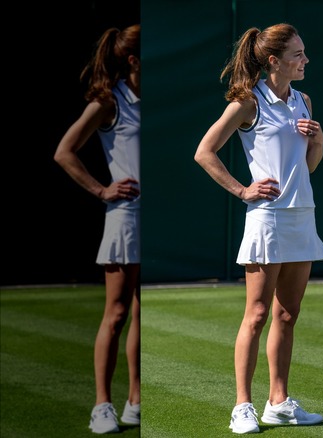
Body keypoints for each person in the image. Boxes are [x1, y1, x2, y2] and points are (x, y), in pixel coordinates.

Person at [194, 23, 323, 434]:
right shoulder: (247, 103)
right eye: (297, 54)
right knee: (256, 315)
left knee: (287, 314)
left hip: (302, 215)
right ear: (274, 61)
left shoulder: (303, 101)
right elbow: (204, 151)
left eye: (304, 53)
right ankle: (242, 405)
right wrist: (242, 189)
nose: (305, 60)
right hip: (267, 219)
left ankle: (279, 401)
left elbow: (304, 169)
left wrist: (319, 142)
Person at [53, 24, 141, 434]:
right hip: (127, 217)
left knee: (143, 311)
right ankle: (101, 405)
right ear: (133, 61)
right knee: (117, 312)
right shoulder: (110, 102)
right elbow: (64, 152)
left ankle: (135, 401)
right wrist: (101, 190)